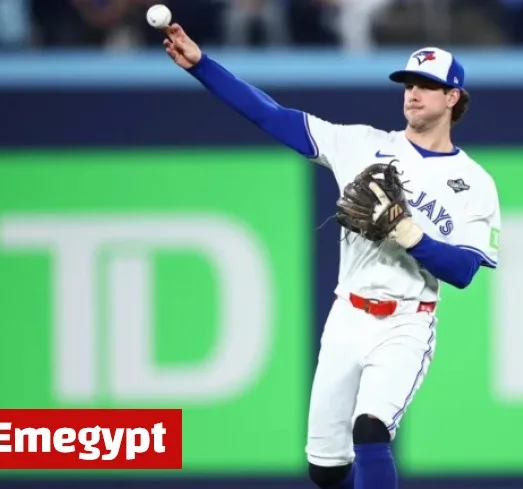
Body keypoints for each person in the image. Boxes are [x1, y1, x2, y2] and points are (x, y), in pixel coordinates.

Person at [162, 23, 501, 489]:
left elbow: (464, 271)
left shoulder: (475, 183)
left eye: (428, 86)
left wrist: (410, 234)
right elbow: (271, 116)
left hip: (407, 322)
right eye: (409, 84)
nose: (414, 94)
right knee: (326, 470)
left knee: (372, 430)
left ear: (453, 99)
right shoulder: (361, 145)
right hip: (348, 315)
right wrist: (203, 67)